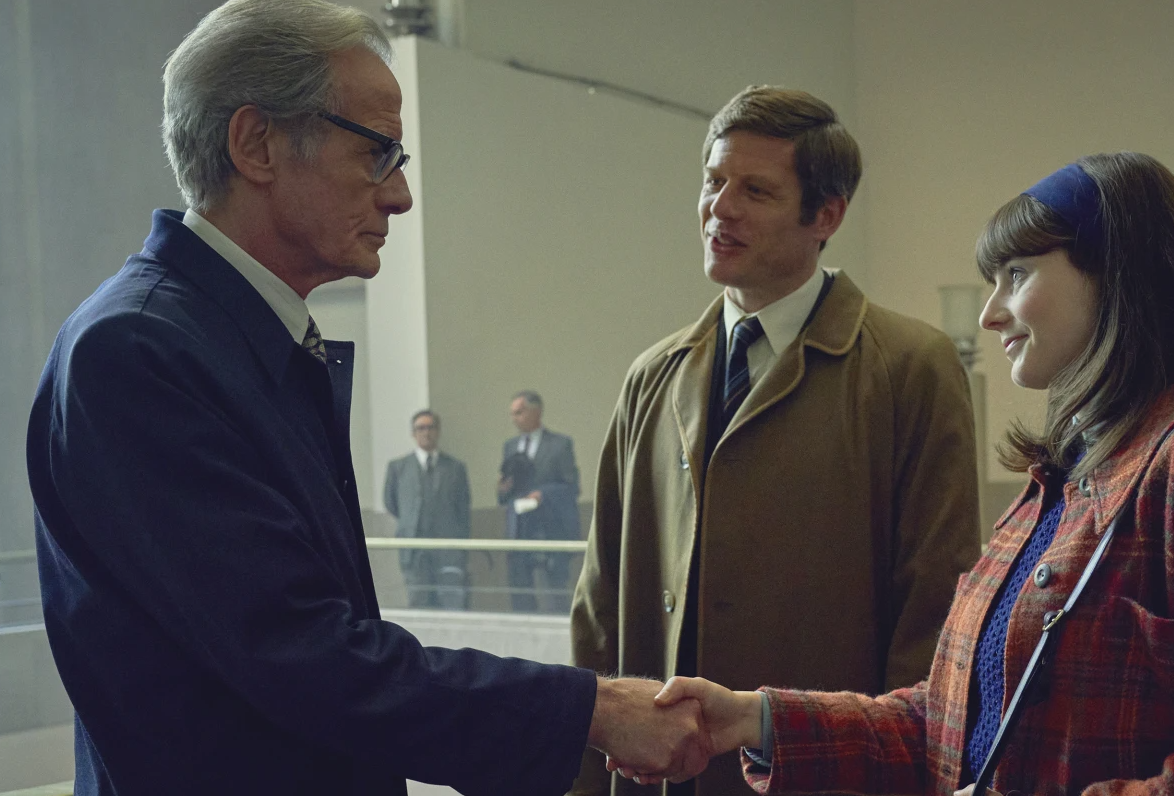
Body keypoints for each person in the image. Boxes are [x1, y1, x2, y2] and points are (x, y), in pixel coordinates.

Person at [26, 1, 710, 793]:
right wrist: (590, 709)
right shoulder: (137, 352)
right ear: (256, 144)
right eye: (378, 152)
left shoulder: (222, 336)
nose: (401, 196)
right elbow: (300, 655)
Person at [629, 152, 1174, 795]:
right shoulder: (1058, 479)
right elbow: (947, 726)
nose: (993, 314)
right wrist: (756, 719)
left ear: (1116, 274)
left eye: (1017, 275)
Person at [571, 86, 982, 796]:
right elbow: (599, 604)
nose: (720, 208)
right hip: (659, 777)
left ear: (826, 216)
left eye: (755, 191)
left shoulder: (910, 367)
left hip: (822, 775)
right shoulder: (653, 376)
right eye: (713, 181)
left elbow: (934, 612)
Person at [498, 390, 582, 613]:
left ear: (537, 412)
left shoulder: (560, 445)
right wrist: (503, 489)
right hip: (519, 530)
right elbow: (505, 494)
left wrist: (543, 494)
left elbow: (572, 486)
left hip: (550, 528)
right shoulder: (510, 446)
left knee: (555, 595)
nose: (514, 418)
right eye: (512, 413)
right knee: (520, 594)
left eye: (520, 412)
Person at [383, 409, 473, 609]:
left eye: (431, 427)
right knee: (418, 600)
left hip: (448, 548)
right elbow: (391, 503)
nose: (426, 432)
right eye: (421, 428)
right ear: (413, 433)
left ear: (438, 431)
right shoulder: (398, 467)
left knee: (451, 601)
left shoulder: (455, 468)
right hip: (414, 548)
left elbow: (463, 507)